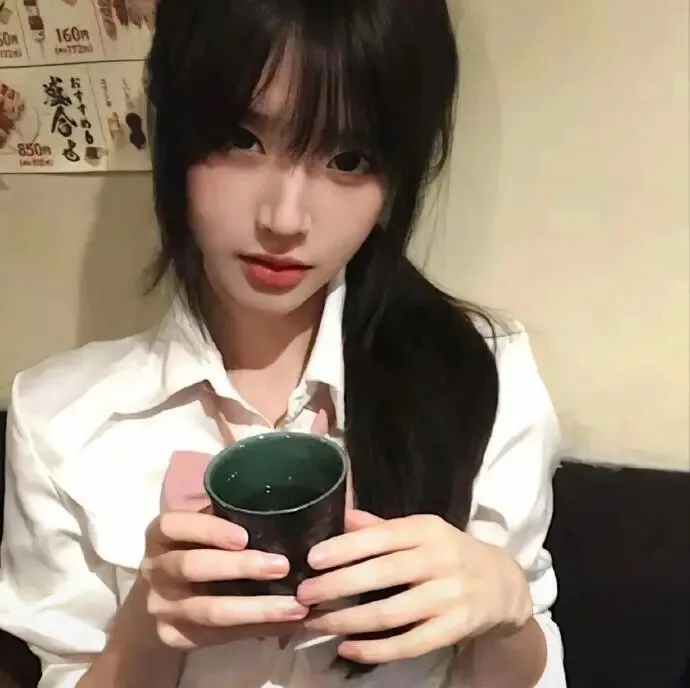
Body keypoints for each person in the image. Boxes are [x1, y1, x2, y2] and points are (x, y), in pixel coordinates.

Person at [0, 1, 567, 686]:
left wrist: (506, 611)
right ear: (175, 136)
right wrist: (147, 628)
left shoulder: (484, 374)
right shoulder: (58, 422)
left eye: (348, 158)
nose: (285, 219)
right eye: (242, 139)